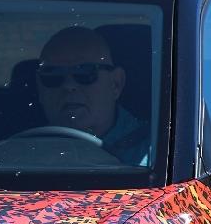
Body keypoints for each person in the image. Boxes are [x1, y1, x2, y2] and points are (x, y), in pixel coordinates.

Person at [35, 26, 149, 163]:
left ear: (116, 84)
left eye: (84, 72)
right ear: (40, 89)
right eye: (52, 75)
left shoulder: (158, 155)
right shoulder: (18, 155)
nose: (68, 85)